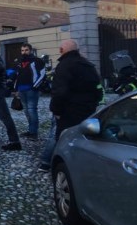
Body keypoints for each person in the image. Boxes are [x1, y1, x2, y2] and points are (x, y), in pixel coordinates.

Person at [39, 39, 102, 171]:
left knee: (60, 137)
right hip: (87, 109)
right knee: (83, 137)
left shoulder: (64, 66)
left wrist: (56, 110)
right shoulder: (88, 65)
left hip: (68, 110)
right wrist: (94, 102)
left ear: (62, 50)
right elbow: (98, 87)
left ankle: (48, 161)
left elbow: (59, 92)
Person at [13, 43, 46, 140]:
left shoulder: (37, 61)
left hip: (32, 90)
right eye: (22, 50)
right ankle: (31, 130)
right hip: (21, 90)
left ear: (30, 50)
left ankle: (34, 133)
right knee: (27, 111)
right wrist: (16, 89)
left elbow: (42, 74)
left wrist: (35, 86)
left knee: (32, 110)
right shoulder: (19, 61)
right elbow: (17, 76)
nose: (24, 52)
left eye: (26, 50)